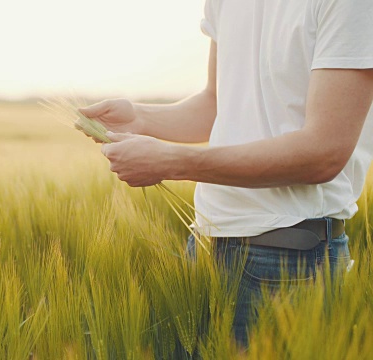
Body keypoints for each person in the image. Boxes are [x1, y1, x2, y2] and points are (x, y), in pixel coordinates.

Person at [80, 0, 373, 347]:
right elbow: (216, 102)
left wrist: (173, 162)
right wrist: (141, 117)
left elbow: (323, 153)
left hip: (290, 257)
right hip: (205, 243)